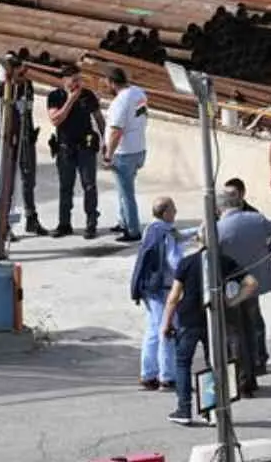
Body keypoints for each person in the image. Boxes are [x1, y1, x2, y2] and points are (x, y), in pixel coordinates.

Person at [160, 230, 259, 426]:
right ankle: (213, 409)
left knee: (183, 363)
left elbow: (173, 297)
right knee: (213, 362)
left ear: (198, 240)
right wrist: (232, 301)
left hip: (188, 318)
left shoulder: (186, 263)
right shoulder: (224, 261)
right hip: (213, 317)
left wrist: (166, 323)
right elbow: (251, 283)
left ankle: (184, 409)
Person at [215, 188, 271, 387]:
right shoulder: (256, 219)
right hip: (254, 280)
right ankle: (258, 361)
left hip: (231, 284)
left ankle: (242, 374)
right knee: (254, 321)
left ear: (220, 207)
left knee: (236, 330)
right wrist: (265, 255)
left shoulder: (217, 229)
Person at [129, 197, 191, 391]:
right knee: (167, 331)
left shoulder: (152, 229)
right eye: (173, 209)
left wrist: (197, 232)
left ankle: (148, 374)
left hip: (149, 289)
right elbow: (175, 262)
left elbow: (179, 236)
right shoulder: (165, 234)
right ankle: (167, 376)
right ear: (165, 213)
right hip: (162, 290)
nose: (176, 211)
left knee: (153, 331)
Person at [46, 64, 106, 239]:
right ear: (64, 81)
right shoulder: (55, 96)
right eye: (74, 80)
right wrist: (71, 100)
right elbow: (55, 120)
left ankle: (91, 223)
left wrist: (105, 142)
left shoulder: (88, 95)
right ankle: (64, 224)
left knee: (89, 185)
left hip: (85, 147)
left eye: (79, 80)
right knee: (66, 187)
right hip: (65, 148)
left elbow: (99, 119)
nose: (78, 84)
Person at [103, 67, 149, 243]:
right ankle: (123, 221)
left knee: (127, 192)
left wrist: (108, 154)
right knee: (123, 190)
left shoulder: (120, 102)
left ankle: (132, 230)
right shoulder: (139, 93)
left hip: (124, 153)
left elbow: (116, 131)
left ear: (112, 83)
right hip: (139, 149)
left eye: (106, 82)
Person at [5, 56, 46, 236]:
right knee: (8, 183)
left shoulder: (27, 86)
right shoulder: (3, 90)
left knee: (29, 180)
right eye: (20, 72)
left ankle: (31, 218)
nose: (24, 76)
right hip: (11, 141)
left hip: (27, 137)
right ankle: (5, 223)